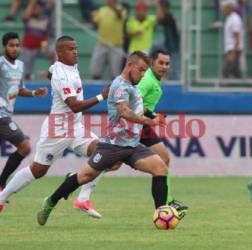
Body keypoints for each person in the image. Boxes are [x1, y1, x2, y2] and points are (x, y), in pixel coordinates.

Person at [35, 51, 174, 226]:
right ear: (129, 66)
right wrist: (150, 122)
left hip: (132, 144)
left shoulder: (132, 86)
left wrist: (152, 115)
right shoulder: (120, 85)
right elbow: (124, 112)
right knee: (84, 176)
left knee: (160, 168)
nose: (143, 74)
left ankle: (162, 216)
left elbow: (138, 108)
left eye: (146, 71)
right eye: (141, 70)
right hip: (112, 146)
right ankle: (50, 202)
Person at [0, 35, 110, 222]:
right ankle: (0, 197)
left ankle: (83, 199)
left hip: (75, 127)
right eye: (70, 49)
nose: (75, 51)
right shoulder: (62, 75)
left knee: (104, 153)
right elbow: (74, 106)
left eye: (75, 48)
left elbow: (52, 69)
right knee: (38, 170)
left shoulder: (66, 66)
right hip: (57, 129)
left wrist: (51, 72)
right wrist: (102, 97)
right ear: (59, 53)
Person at [73, 50, 188, 218]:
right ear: (152, 64)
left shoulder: (153, 79)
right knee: (163, 158)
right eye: (160, 63)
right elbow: (133, 100)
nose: (164, 67)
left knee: (114, 164)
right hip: (134, 125)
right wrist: (151, 117)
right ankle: (167, 204)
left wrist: (152, 116)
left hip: (139, 124)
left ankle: (82, 188)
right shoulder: (147, 80)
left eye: (167, 64)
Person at [0, 32, 48, 191]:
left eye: (17, 45)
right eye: (11, 45)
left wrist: (34, 93)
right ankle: (0, 182)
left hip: (4, 115)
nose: (15, 48)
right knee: (25, 147)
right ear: (4, 47)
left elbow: (19, 89)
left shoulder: (20, 66)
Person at [90, 0, 126, 80]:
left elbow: (120, 15)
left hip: (116, 45)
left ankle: (114, 91)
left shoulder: (122, 9)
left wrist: (112, 7)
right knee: (95, 73)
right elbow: (95, 24)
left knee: (115, 75)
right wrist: (92, 17)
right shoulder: (101, 10)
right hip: (101, 44)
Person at [22, 0, 55, 80]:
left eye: (37, 8)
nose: (35, 9)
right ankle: (28, 76)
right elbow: (25, 16)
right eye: (34, 8)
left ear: (41, 9)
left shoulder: (46, 19)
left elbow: (46, 35)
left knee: (54, 52)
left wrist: (45, 46)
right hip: (28, 48)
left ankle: (53, 74)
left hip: (41, 48)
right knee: (27, 55)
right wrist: (32, 4)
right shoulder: (28, 18)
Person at [154, 0, 181, 80]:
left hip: (173, 46)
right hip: (168, 45)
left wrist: (157, 5)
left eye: (162, 7)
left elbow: (160, 18)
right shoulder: (169, 16)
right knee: (154, 47)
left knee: (175, 70)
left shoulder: (169, 17)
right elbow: (159, 20)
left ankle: (177, 85)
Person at [221, 0, 244, 78]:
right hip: (232, 49)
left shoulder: (235, 19)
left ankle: (222, 89)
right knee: (237, 73)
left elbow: (237, 37)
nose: (222, 9)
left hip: (234, 50)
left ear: (229, 7)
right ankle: (249, 88)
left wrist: (233, 53)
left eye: (223, 7)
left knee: (225, 72)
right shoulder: (230, 18)